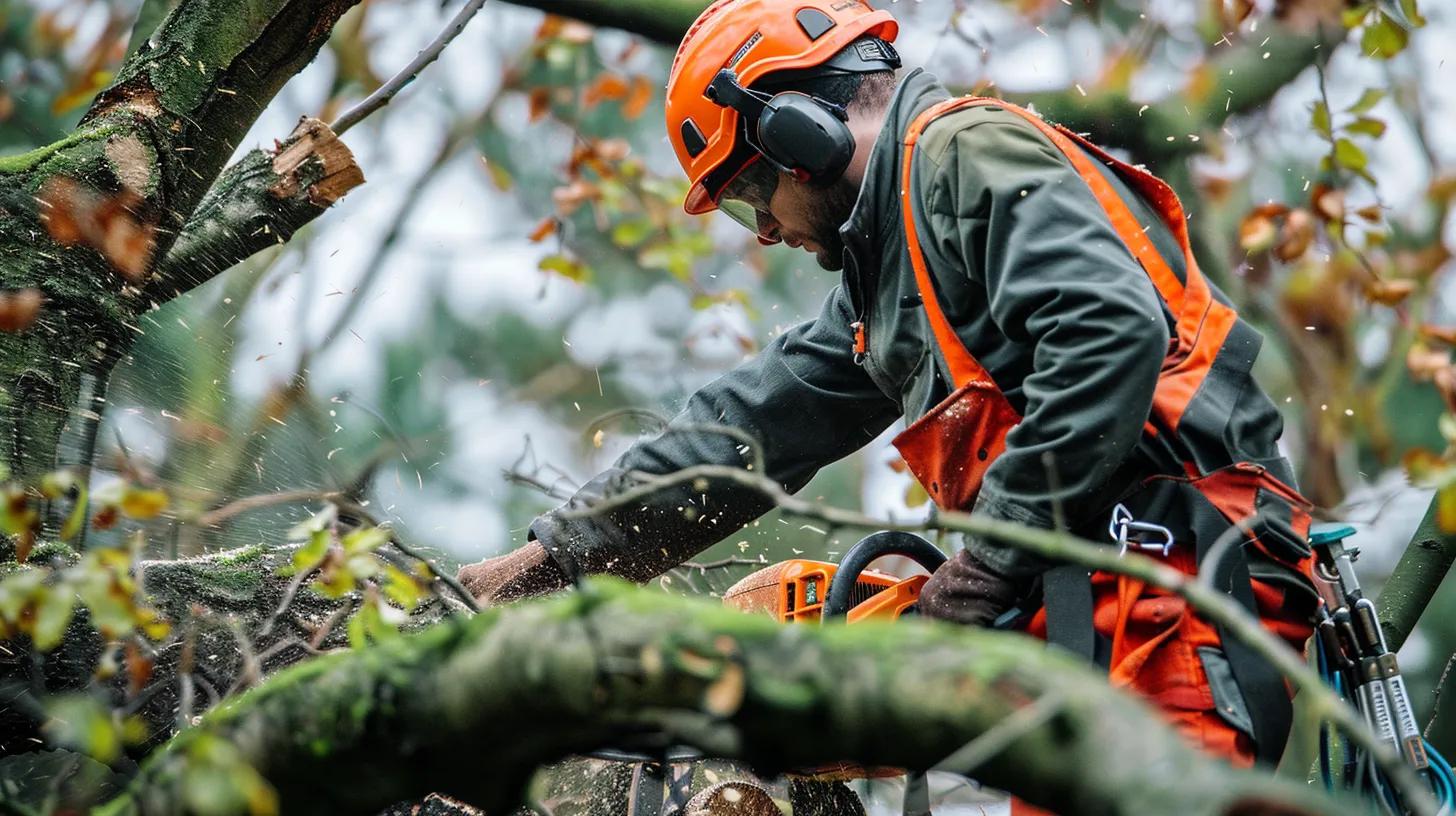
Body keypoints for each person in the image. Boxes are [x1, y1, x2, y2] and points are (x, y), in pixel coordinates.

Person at [459, 0, 1319, 773]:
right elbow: (747, 430)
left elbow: (1108, 334)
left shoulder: (962, 153)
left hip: (1179, 580)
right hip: (1093, 609)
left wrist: (986, 562)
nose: (760, 229)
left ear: (798, 134)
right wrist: (551, 560)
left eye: (748, 193)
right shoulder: (889, 275)